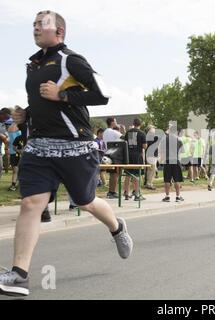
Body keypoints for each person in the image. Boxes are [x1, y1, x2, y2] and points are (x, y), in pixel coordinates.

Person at [0, 10, 133, 297]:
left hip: (74, 147)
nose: (35, 28)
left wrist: (62, 95)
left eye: (42, 24)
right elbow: (44, 102)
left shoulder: (70, 59)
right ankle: (19, 274)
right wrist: (28, 114)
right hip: (40, 147)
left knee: (85, 202)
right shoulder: (34, 65)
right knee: (31, 203)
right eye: (34, 24)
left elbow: (103, 94)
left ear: (59, 31)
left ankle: (116, 226)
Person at [159, 124, 184, 202]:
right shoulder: (179, 140)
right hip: (176, 160)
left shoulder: (164, 140)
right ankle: (178, 196)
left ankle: (167, 196)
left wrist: (162, 160)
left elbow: (161, 151)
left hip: (167, 161)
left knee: (167, 180)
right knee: (177, 180)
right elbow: (182, 151)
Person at [123, 118, 147, 201]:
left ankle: (126, 193)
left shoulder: (128, 132)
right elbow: (144, 146)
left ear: (133, 123)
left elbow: (125, 143)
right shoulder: (142, 133)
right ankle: (137, 194)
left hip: (128, 156)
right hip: (137, 155)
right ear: (140, 124)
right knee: (137, 175)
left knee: (128, 175)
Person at [103, 117, 123, 199]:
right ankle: (112, 192)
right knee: (115, 174)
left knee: (112, 174)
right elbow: (124, 137)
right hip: (115, 154)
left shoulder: (105, 132)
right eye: (115, 121)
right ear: (112, 123)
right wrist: (122, 129)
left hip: (107, 154)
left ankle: (110, 192)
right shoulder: (113, 131)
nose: (116, 122)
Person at [7, 118, 22, 191]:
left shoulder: (10, 128)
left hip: (14, 152)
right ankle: (15, 185)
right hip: (17, 152)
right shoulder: (19, 129)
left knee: (16, 170)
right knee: (18, 170)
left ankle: (14, 185)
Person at [144, 125, 158, 190]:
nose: (155, 130)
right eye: (153, 129)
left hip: (150, 155)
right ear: (150, 130)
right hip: (151, 155)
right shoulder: (151, 136)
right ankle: (149, 184)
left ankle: (148, 183)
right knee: (152, 170)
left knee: (150, 170)